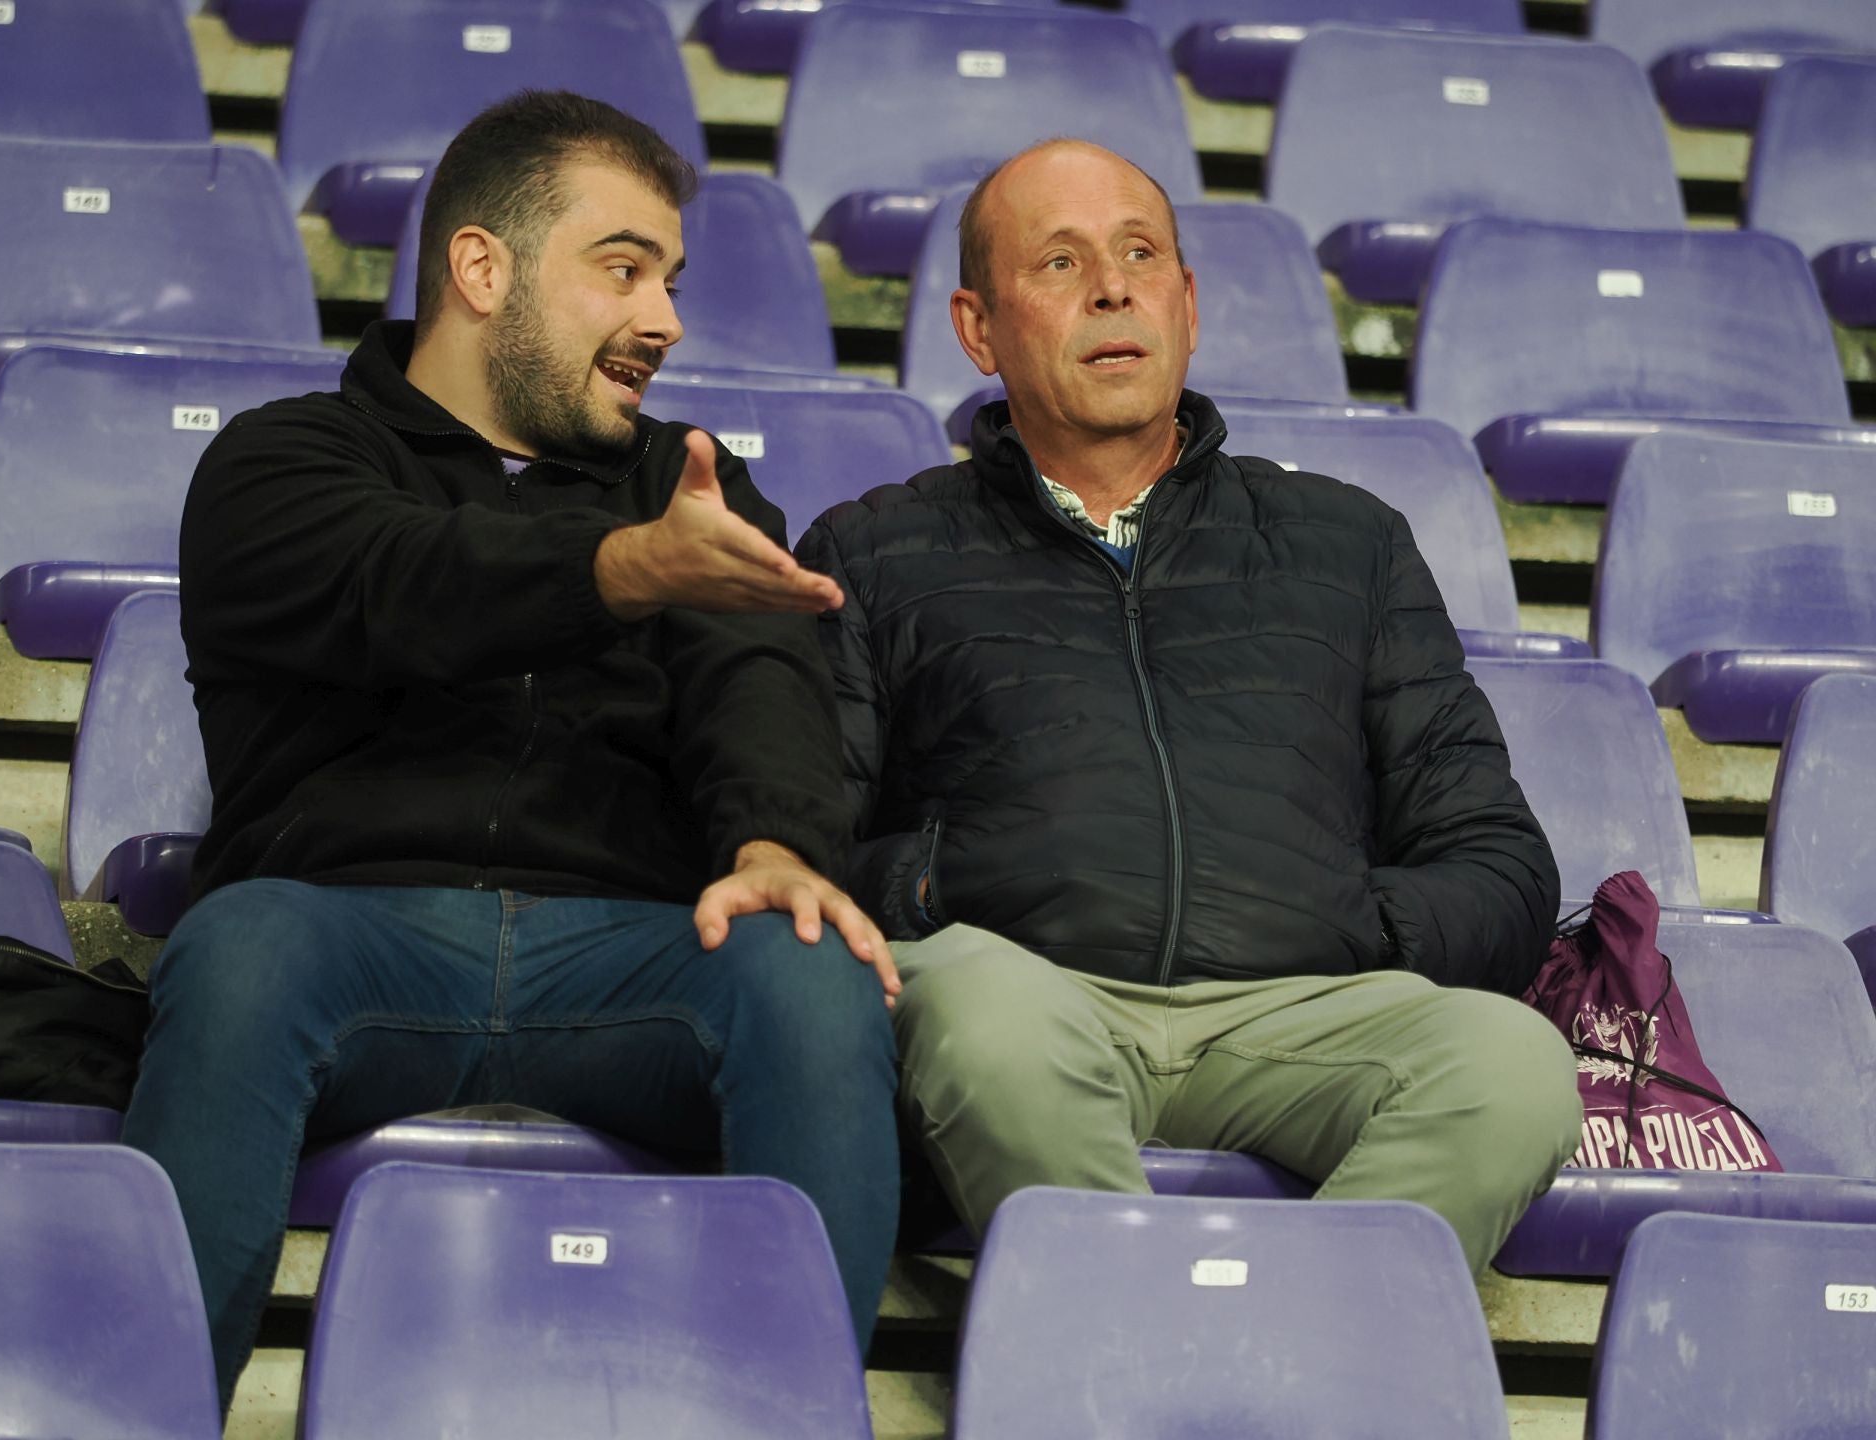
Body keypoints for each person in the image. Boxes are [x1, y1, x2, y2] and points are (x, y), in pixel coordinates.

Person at [121, 90, 900, 1406]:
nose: (665, 319)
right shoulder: (283, 460)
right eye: (624, 269)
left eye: (671, 280)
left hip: (632, 954)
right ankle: (148, 1412)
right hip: (342, 929)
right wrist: (622, 568)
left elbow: (758, 672)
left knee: (811, 968)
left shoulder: (687, 485)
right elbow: (405, 580)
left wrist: (775, 843)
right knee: (240, 950)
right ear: (482, 269)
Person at [796, 138, 1582, 1271]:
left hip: (1297, 1016)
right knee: (989, 1014)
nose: (1113, 289)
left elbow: (1499, 859)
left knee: (1511, 1066)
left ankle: (1267, 1355)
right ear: (978, 329)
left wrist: (1352, 926)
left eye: (1139, 255)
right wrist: (937, 888)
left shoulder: (1347, 543)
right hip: (1027, 1000)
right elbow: (802, 846)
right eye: (1060, 263)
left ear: (1188, 303)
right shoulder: (872, 551)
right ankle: (1158, 1343)